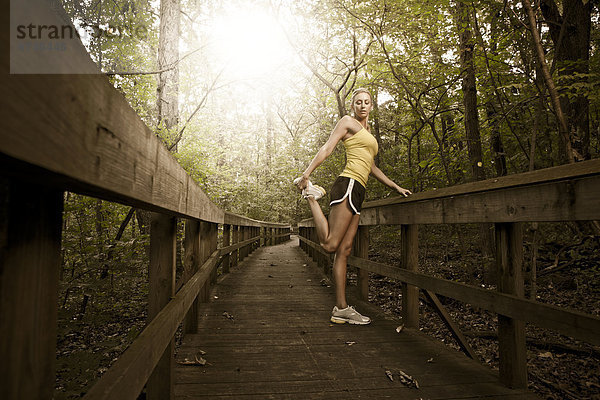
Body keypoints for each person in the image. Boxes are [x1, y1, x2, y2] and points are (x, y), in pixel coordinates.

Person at [294, 88, 412, 325]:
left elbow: (371, 167)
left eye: (367, 102)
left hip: (359, 191)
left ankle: (341, 308)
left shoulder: (368, 133)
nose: (363, 105)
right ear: (353, 106)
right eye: (358, 102)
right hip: (347, 184)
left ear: (371, 106)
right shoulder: (347, 122)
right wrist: (306, 174)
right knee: (330, 244)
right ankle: (310, 196)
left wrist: (395, 187)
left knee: (344, 251)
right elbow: (327, 148)